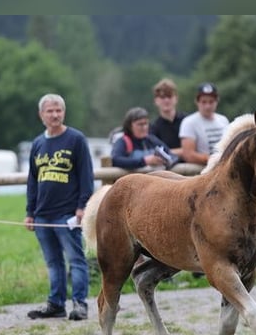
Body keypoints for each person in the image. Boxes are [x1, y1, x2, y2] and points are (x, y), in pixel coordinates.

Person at [25, 94, 94, 321]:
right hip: (43, 214)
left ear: (63, 113)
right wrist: (30, 212)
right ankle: (55, 303)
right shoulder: (37, 144)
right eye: (50, 111)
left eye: (58, 110)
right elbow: (33, 181)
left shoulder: (76, 139)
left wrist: (83, 206)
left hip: (67, 213)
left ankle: (79, 303)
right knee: (53, 262)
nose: (55, 115)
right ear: (41, 115)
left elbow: (85, 175)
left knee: (75, 259)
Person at [178, 82, 229, 165]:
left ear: (217, 101)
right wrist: (213, 159)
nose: (207, 106)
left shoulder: (224, 120)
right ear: (197, 102)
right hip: (202, 170)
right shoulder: (189, 122)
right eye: (204, 102)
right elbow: (188, 155)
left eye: (211, 102)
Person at [111, 107, 177, 170]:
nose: (144, 127)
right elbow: (115, 160)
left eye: (146, 124)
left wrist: (164, 161)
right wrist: (144, 161)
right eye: (140, 124)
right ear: (129, 126)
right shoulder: (123, 141)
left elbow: (172, 155)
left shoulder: (151, 140)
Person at [150, 78, 186, 162]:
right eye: (162, 97)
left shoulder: (188, 121)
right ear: (156, 101)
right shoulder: (153, 127)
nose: (166, 100)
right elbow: (154, 153)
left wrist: (167, 153)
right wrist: (184, 151)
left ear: (176, 98)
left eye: (169, 96)